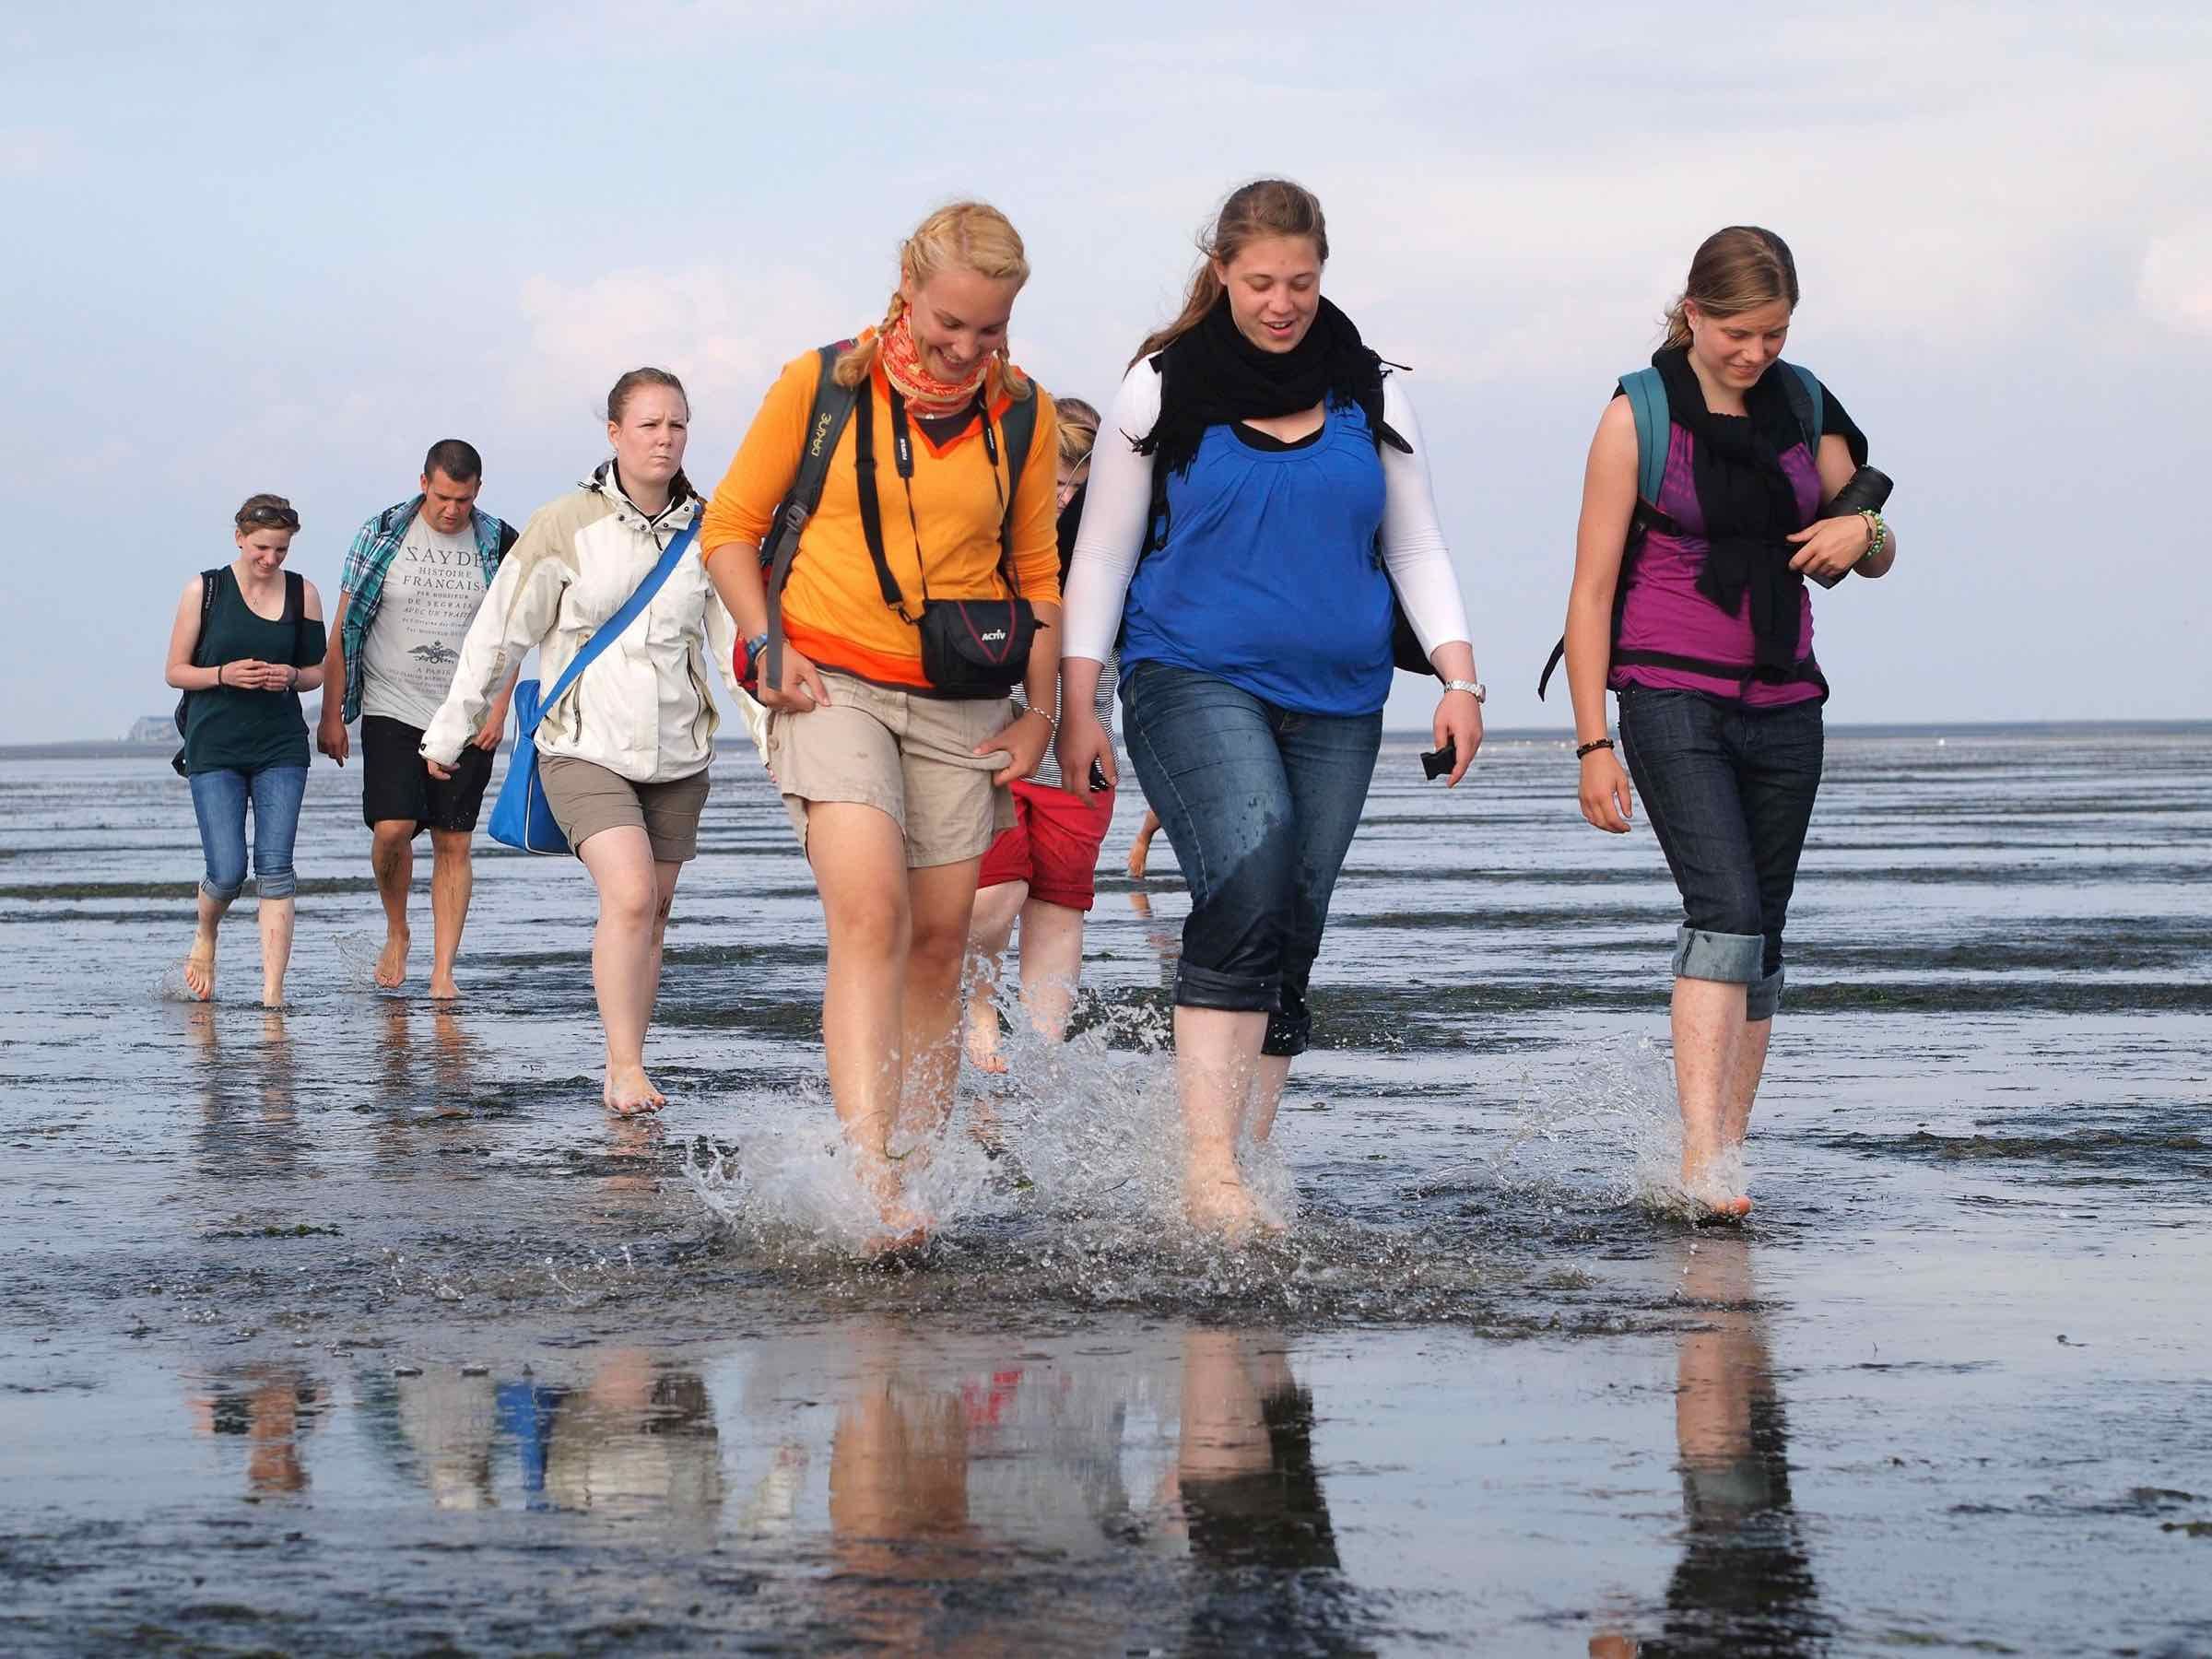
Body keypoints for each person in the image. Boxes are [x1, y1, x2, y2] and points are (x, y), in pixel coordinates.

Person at [1057, 180, 1485, 1237]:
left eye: (1300, 281)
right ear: (1222, 275)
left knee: (1291, 922)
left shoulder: (1372, 390)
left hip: (1341, 697)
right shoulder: (1158, 389)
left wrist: (1461, 677)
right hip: (1187, 672)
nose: (1282, 302)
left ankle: (1246, 1165)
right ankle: (1208, 1173)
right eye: (1260, 282)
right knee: (1251, 870)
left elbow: (1415, 543)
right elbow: (1103, 554)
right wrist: (1079, 703)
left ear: (1322, 273)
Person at [700, 202, 1062, 1251]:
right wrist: (769, 642)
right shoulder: (819, 386)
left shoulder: (1025, 415)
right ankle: (871, 1187)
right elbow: (730, 529)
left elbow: (1036, 576)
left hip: (962, 698)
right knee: (871, 915)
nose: (964, 348)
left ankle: (917, 1169)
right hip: (828, 685)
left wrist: (1040, 714)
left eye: (987, 332)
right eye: (949, 323)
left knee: (942, 943)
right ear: (907, 292)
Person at [1559, 226, 1897, 1216]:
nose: (1755, 353)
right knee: (1727, 914)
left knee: (1768, 932)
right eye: (1739, 333)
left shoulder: (1801, 403)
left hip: (1788, 697)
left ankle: (1723, 1157)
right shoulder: (1639, 416)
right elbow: (1588, 593)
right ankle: (1704, 1160)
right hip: (1669, 692)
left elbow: (1868, 544)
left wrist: (1863, 529)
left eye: (1775, 335)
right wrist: (1591, 741)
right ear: (1695, 313)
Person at [420, 368, 739, 1117]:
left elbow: (737, 651)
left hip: (680, 756)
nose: (665, 438)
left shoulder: (712, 528)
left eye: (678, 425)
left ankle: (633, 1052)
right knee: (628, 894)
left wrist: (782, 742)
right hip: (582, 745)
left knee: (654, 909)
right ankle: (622, 1067)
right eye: (650, 424)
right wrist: (453, 730)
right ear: (614, 433)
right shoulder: (564, 523)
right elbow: (499, 635)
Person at [318, 441, 521, 998]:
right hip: (391, 702)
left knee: (454, 841)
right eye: (442, 496)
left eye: (463, 498)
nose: (451, 509)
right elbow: (345, 627)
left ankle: (443, 971)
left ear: (477, 490)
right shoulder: (382, 533)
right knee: (393, 829)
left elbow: (515, 632)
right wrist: (333, 714)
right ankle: (397, 929)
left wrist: (499, 706)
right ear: (423, 483)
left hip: (466, 709)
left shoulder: (500, 541)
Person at [963, 395, 1112, 1073]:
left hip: (1082, 754)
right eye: (1055, 478)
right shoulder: (980, 539)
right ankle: (978, 1000)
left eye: (1078, 485)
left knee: (1059, 907)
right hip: (989, 744)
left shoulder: (1109, 552)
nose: (1064, 495)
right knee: (995, 894)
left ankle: (1044, 1068)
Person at [165, 494, 330, 1007]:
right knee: (229, 869)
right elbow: (175, 671)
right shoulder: (205, 589)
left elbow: (318, 672)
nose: (270, 559)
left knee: (276, 866)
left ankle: (273, 997)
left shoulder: (304, 593)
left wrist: (292, 676)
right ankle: (206, 936)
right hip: (214, 747)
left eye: (280, 549)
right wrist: (223, 674)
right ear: (239, 537)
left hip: (280, 746)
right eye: (262, 547)